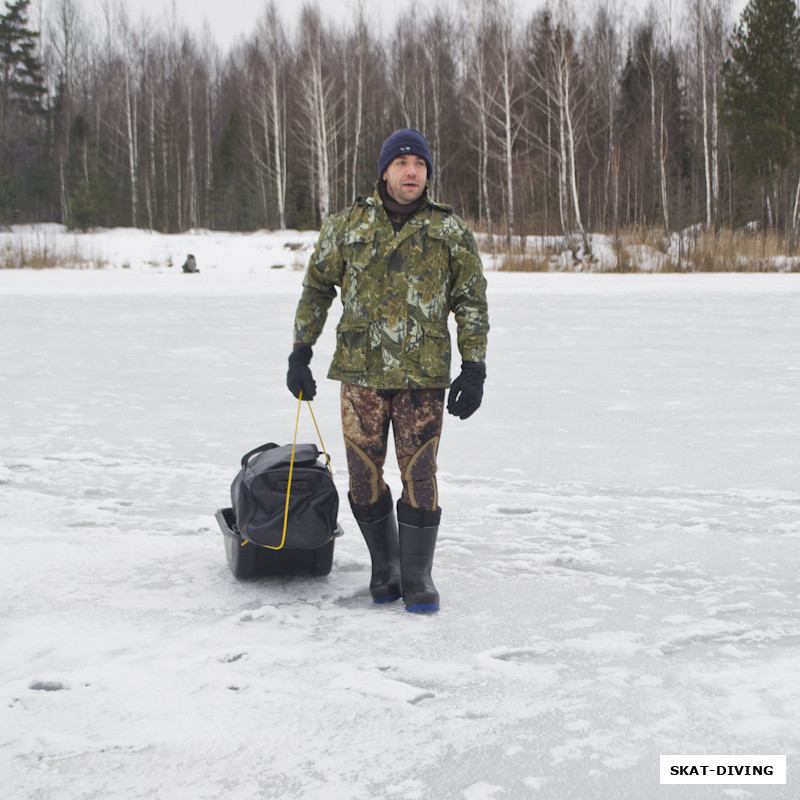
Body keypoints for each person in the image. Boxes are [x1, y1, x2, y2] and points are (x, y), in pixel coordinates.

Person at [287, 128, 489, 612]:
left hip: (424, 375)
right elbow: (317, 289)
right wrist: (300, 352)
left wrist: (474, 365)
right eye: (402, 163)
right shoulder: (347, 225)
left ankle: (418, 577)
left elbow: (471, 300)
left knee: (420, 474)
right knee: (362, 475)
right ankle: (387, 566)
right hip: (361, 372)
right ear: (384, 171)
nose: (412, 171)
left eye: (419, 164)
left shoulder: (449, 230)